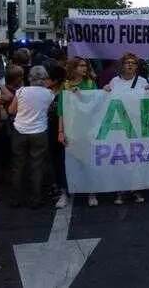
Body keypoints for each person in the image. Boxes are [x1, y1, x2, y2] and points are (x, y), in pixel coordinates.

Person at [103, 52, 149, 205]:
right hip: (119, 126)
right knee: (121, 158)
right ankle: (121, 190)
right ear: (122, 65)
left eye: (133, 63)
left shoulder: (142, 81)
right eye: (127, 62)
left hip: (137, 126)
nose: (130, 65)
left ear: (137, 66)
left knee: (136, 159)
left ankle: (136, 189)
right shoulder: (114, 82)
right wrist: (105, 90)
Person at [7, 66, 55, 208]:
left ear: (30, 78)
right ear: (45, 78)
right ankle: (36, 199)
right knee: (37, 165)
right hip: (40, 132)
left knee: (18, 165)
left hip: (19, 130)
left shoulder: (21, 91)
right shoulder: (49, 94)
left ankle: (15, 198)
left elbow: (11, 110)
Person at [57, 57, 98, 206]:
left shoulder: (90, 84)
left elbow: (95, 104)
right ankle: (64, 193)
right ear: (73, 68)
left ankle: (91, 192)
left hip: (86, 130)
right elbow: (61, 110)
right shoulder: (65, 86)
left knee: (88, 162)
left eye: (85, 66)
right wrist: (60, 131)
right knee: (66, 162)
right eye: (81, 66)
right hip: (70, 130)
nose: (84, 68)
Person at [47, 65, 70, 208]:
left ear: (56, 80)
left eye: (48, 78)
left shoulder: (65, 91)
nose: (45, 81)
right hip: (55, 131)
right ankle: (61, 187)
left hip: (66, 129)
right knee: (57, 160)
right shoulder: (48, 93)